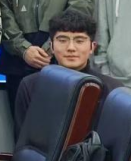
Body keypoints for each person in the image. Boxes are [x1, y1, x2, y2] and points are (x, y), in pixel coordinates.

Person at [14, 9, 123, 138]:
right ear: (52, 47)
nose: (71, 48)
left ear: (92, 47)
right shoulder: (31, 85)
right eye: (62, 40)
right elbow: (23, 140)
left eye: (79, 41)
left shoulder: (112, 90)